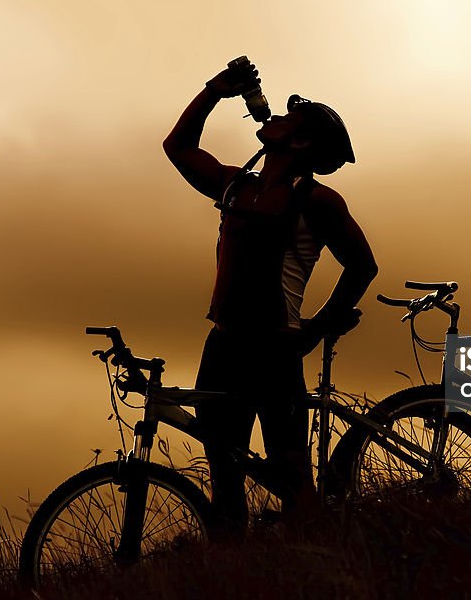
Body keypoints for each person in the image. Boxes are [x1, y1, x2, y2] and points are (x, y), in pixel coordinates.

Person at [162, 61, 377, 533]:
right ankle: (235, 564)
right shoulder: (238, 185)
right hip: (222, 343)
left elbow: (363, 266)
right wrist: (213, 91)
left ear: (298, 142)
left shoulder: (318, 201)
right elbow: (177, 147)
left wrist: (320, 328)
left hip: (275, 348)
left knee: (291, 470)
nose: (273, 117)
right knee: (223, 463)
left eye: (288, 119)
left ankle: (320, 559)